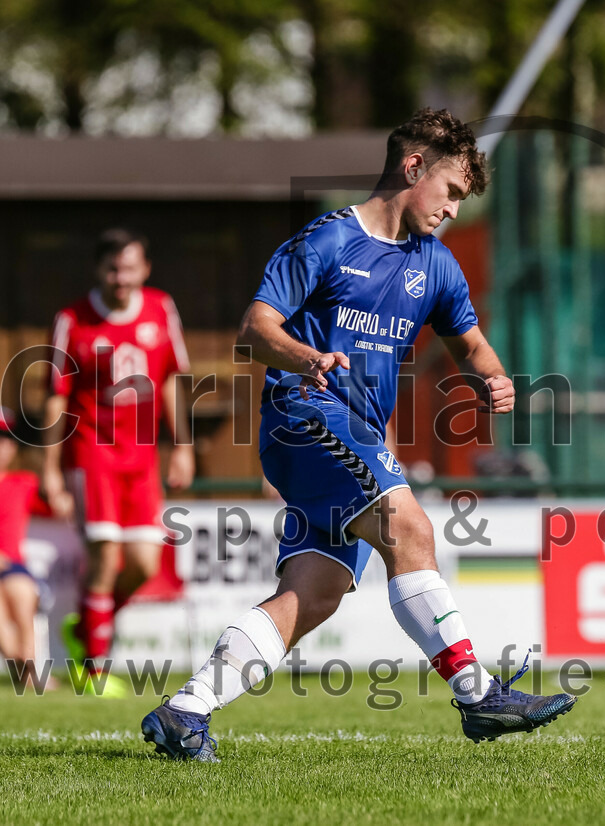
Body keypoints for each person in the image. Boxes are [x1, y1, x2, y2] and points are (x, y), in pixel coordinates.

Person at [142, 108, 576, 761]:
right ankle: (478, 695)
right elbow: (254, 330)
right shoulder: (327, 241)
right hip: (305, 416)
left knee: (313, 594)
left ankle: (185, 711)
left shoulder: (436, 265)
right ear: (413, 167)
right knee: (412, 530)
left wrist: (493, 378)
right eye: (450, 191)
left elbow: (471, 345)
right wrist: (308, 358)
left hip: (354, 434)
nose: (453, 210)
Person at [41, 228, 194, 694]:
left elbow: (171, 379)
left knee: (145, 565)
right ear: (98, 270)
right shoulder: (72, 320)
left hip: (142, 459)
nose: (120, 278)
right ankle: (93, 669)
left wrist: (182, 446)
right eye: (112, 269)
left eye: (129, 268)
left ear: (144, 269)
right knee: (105, 555)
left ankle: (88, 627)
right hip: (92, 454)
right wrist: (49, 470)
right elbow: (56, 398)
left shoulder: (161, 309)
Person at [0, 407, 54, 692]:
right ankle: (25, 669)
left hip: (12, 566)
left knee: (23, 594)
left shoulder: (24, 482)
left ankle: (31, 670)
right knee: (5, 634)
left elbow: (54, 507)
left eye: (6, 440)